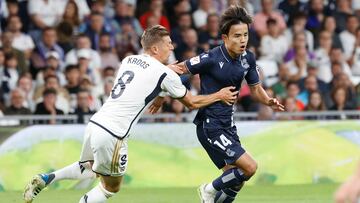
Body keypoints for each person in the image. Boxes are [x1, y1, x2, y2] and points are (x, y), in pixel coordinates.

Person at [23, 25, 238, 203]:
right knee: (110, 187)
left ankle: (48, 177)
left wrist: (162, 91)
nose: (172, 46)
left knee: (89, 167)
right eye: (167, 43)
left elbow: (153, 76)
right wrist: (218, 95)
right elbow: (191, 102)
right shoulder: (163, 73)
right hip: (114, 134)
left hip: (96, 123)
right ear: (155, 48)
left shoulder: (128, 60)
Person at [152, 6, 284, 203]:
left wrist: (268, 100)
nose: (243, 40)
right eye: (237, 36)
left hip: (228, 125)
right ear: (225, 38)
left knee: (236, 180)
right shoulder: (211, 57)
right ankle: (209, 189)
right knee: (249, 167)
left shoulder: (248, 58)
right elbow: (176, 70)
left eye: (245, 35)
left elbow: (256, 89)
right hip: (209, 125)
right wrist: (162, 95)